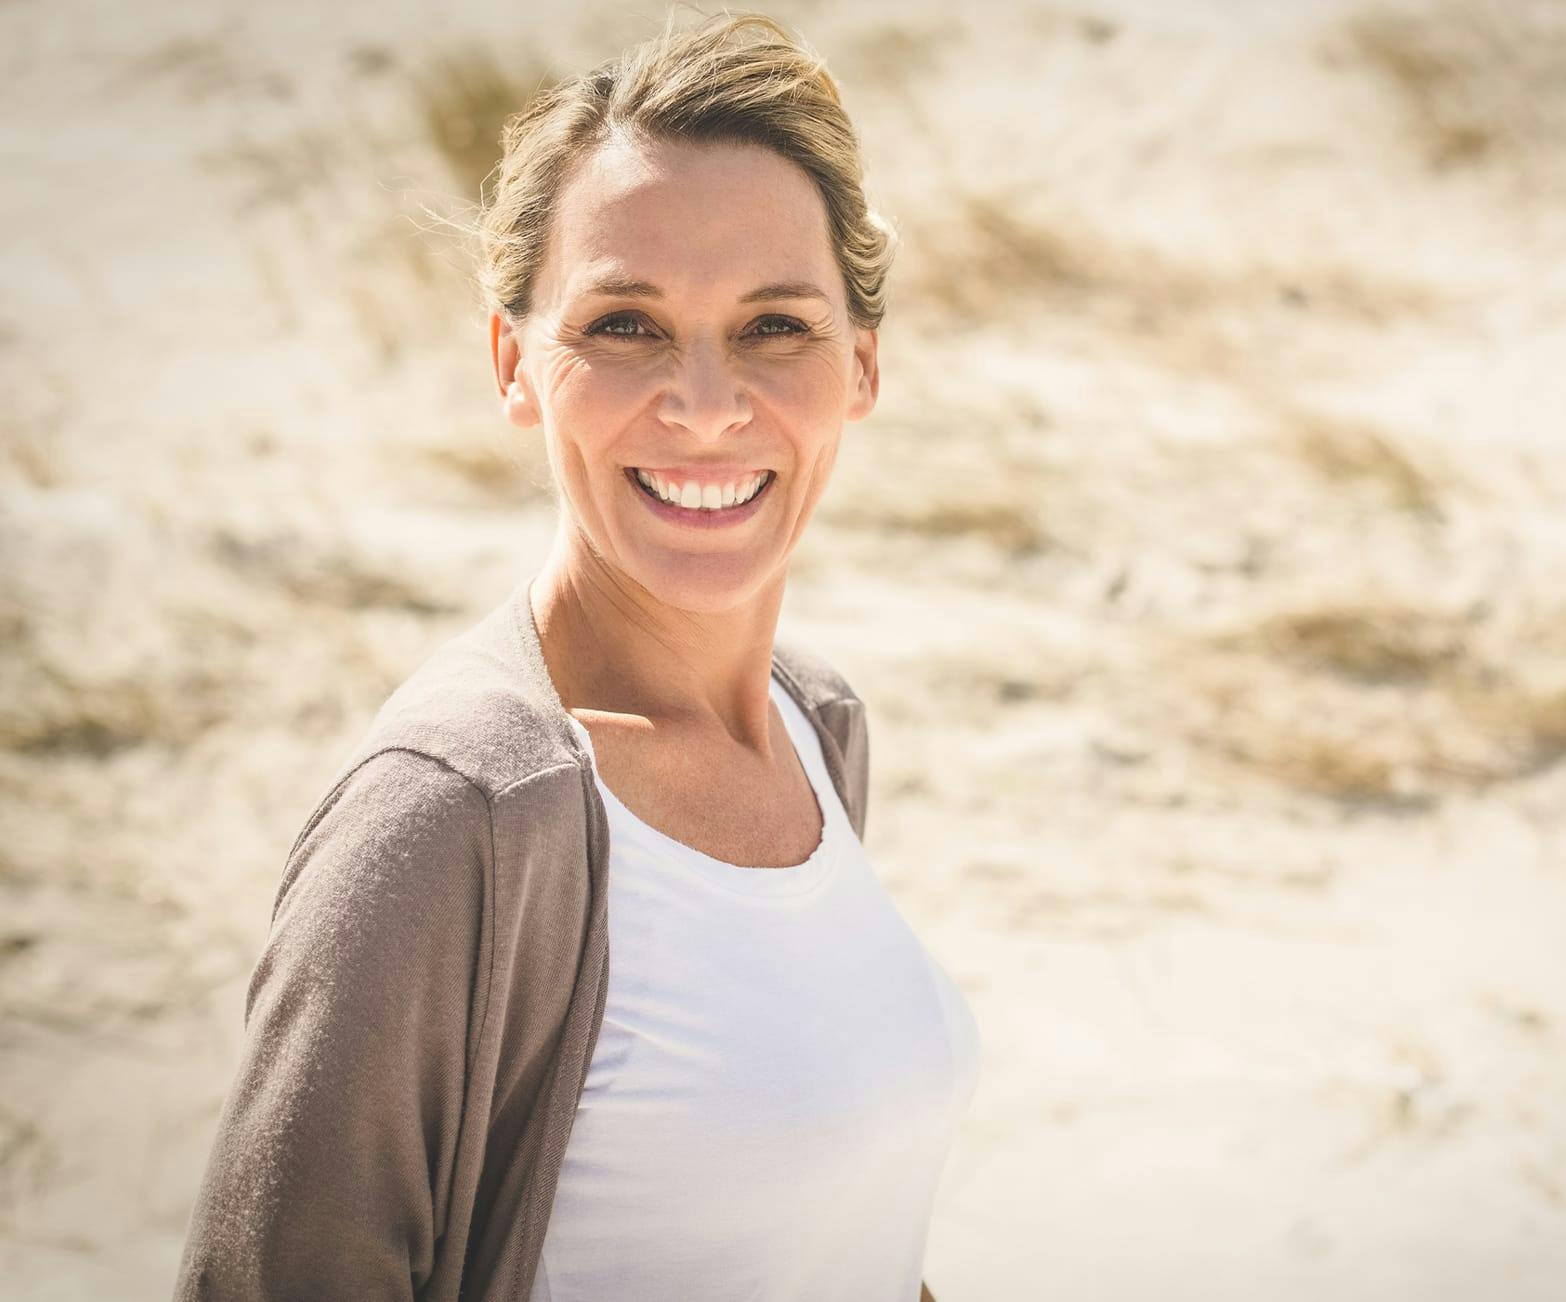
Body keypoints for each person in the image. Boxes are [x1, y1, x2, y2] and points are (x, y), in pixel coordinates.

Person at [173, 11, 981, 1300]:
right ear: (514, 364)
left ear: (863, 366)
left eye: (777, 326)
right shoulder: (455, 816)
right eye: (624, 326)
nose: (709, 405)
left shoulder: (814, 726)